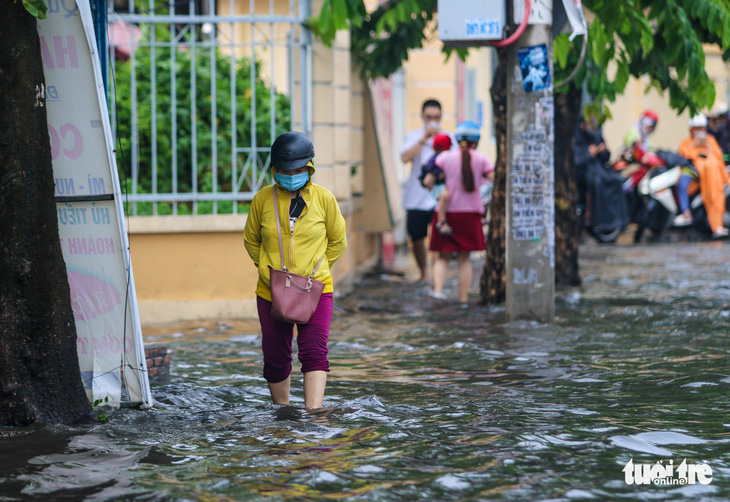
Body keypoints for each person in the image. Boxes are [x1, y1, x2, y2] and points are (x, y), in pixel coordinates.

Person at [243, 131, 347, 409]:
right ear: (275, 171)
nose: (293, 175)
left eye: (299, 170)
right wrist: (269, 272)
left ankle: (314, 415)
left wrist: (316, 269)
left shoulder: (325, 200)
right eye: (286, 171)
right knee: (275, 357)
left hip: (316, 289)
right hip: (270, 290)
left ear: (310, 169)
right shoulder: (262, 200)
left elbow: (338, 241)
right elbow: (251, 240)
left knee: (314, 352)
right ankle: (283, 413)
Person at [429, 121, 494, 303]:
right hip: (470, 215)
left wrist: (439, 194)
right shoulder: (482, 159)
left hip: (446, 215)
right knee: (464, 259)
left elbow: (429, 180)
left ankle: (438, 292)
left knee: (442, 257)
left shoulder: (444, 158)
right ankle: (463, 299)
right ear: (477, 140)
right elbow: (494, 179)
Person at [400, 99, 456, 281]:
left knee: (438, 237)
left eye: (437, 117)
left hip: (439, 197)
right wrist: (424, 138)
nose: (433, 121)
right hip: (415, 196)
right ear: (422, 116)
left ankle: (435, 276)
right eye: (429, 117)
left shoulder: (448, 137)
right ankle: (424, 272)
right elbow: (405, 157)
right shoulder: (413, 136)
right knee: (416, 236)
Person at [677, 115, 730, 238]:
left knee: (715, 194)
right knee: (682, 183)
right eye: (696, 129)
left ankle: (717, 224)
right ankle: (686, 213)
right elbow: (682, 155)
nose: (699, 131)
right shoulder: (687, 142)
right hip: (693, 171)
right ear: (691, 129)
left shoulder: (710, 140)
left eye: (701, 128)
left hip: (711, 175)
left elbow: (719, 157)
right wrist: (694, 144)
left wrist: (707, 146)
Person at [418, 133, 453, 235]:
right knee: (444, 196)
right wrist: (434, 188)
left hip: (438, 187)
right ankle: (441, 222)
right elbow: (427, 181)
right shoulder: (436, 161)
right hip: (438, 188)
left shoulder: (435, 158)